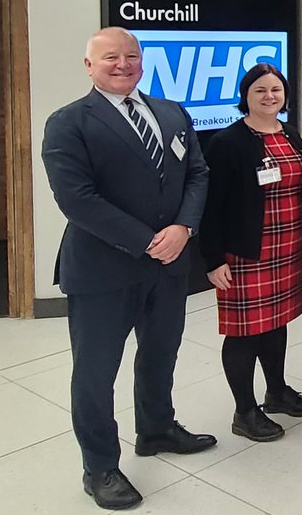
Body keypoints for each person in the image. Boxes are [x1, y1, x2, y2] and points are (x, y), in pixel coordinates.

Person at [42, 27, 215, 510]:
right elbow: (77, 199)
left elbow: (197, 173)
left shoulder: (171, 112)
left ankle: (156, 429)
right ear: (89, 66)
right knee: (95, 373)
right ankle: (99, 466)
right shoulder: (68, 122)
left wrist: (183, 227)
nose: (123, 64)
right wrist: (146, 242)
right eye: (111, 57)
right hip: (103, 270)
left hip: (169, 264)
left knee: (161, 353)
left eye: (132, 56)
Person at [200, 63, 302, 443]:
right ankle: (244, 411)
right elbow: (211, 206)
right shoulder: (228, 142)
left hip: (288, 248)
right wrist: (213, 259)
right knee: (244, 332)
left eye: (276, 90)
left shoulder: (291, 134)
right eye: (260, 90)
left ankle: (277, 392)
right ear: (245, 96)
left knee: (276, 322)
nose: (270, 96)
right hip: (247, 253)